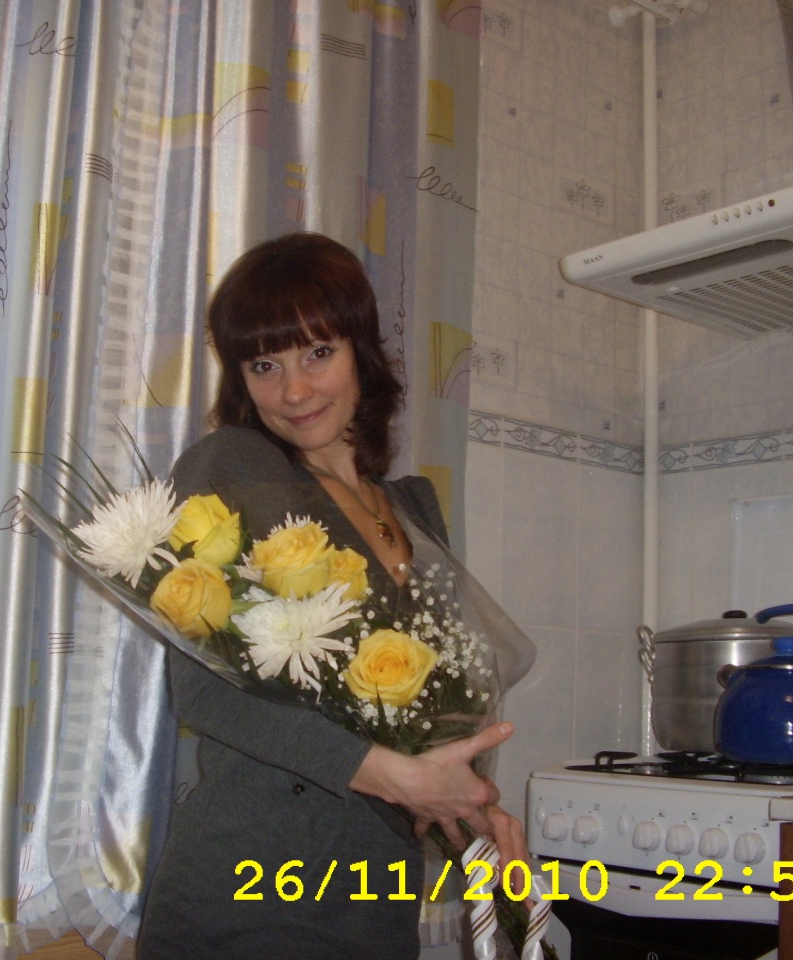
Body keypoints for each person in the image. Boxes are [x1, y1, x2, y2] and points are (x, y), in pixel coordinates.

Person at [136, 233, 528, 960]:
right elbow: (206, 694)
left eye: (318, 352)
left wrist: (474, 811)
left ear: (361, 351)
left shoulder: (415, 509)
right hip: (250, 890)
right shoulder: (232, 467)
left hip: (376, 901)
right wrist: (401, 779)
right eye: (264, 365)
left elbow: (423, 722)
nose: (294, 390)